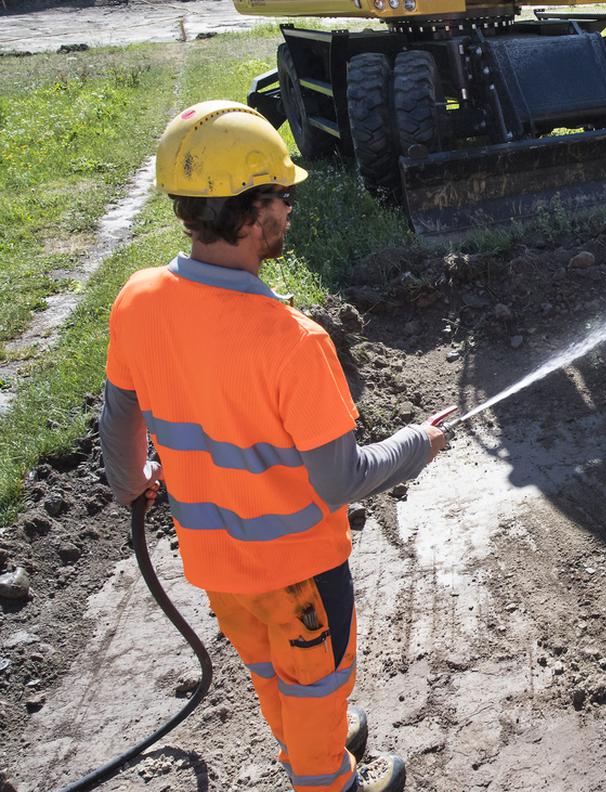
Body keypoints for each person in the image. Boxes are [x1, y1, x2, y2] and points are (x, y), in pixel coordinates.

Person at [99, 100, 446, 792]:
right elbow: (341, 480)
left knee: (270, 671)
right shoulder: (291, 342)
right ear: (255, 212)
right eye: (283, 197)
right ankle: (329, 780)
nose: (289, 210)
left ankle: (310, 736)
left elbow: (120, 418)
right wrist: (419, 443)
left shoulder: (138, 300)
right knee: (317, 680)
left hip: (219, 567)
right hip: (301, 579)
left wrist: (131, 481)